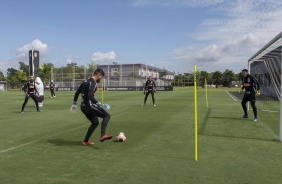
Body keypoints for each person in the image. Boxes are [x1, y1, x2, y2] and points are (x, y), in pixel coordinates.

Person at [70, 68, 112, 146]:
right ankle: (103, 135)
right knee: (107, 116)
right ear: (98, 75)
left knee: (95, 122)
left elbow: (77, 92)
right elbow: (90, 96)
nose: (101, 79)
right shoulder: (92, 83)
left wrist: (74, 103)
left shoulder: (85, 81)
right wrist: (100, 104)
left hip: (83, 107)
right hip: (89, 106)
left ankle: (85, 141)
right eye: (101, 77)